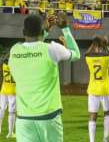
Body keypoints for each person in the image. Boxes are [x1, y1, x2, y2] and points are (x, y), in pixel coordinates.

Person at [8, 13, 80, 142]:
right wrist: (65, 28)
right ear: (41, 31)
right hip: (49, 117)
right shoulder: (52, 49)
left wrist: (44, 31)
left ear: (23, 32)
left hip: (24, 119)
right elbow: (76, 55)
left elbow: (33, 45)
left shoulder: (14, 51)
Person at [85, 35, 109, 142]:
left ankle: (92, 141)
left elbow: (86, 53)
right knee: (107, 113)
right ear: (101, 46)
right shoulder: (105, 57)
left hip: (93, 89)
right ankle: (105, 139)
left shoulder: (89, 57)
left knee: (92, 116)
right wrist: (106, 46)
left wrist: (93, 44)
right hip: (105, 89)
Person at [0, 54, 16, 138]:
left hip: (4, 89)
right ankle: (10, 133)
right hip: (13, 91)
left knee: (1, 109)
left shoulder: (4, 65)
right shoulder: (17, 67)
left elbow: (2, 77)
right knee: (11, 112)